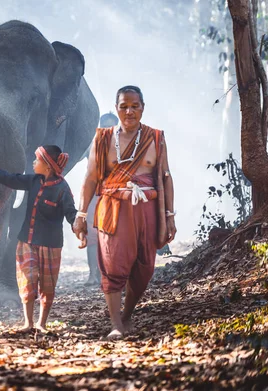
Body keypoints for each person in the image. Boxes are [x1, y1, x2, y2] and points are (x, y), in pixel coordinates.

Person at [73, 85, 176, 340]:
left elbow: (165, 176)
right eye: (123, 106)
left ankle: (128, 313)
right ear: (117, 108)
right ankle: (116, 323)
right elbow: (90, 178)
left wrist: (170, 216)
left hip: (147, 211)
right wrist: (81, 215)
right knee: (113, 265)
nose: (129, 111)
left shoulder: (155, 138)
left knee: (144, 269)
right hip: (113, 210)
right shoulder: (103, 138)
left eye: (134, 106)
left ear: (143, 108)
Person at [0, 145, 76, 333]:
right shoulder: (34, 180)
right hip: (26, 241)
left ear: (47, 166)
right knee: (27, 281)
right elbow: (9, 178)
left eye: (37, 160)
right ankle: (28, 323)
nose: (33, 162)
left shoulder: (63, 189)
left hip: (50, 244)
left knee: (47, 285)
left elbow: (71, 213)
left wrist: (78, 226)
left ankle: (42, 324)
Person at [84, 113, 120, 286]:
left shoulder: (124, 144)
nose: (108, 129)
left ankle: (110, 272)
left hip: (115, 194)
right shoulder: (92, 143)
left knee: (115, 233)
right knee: (92, 234)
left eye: (111, 126)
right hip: (94, 194)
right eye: (104, 125)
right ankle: (92, 274)